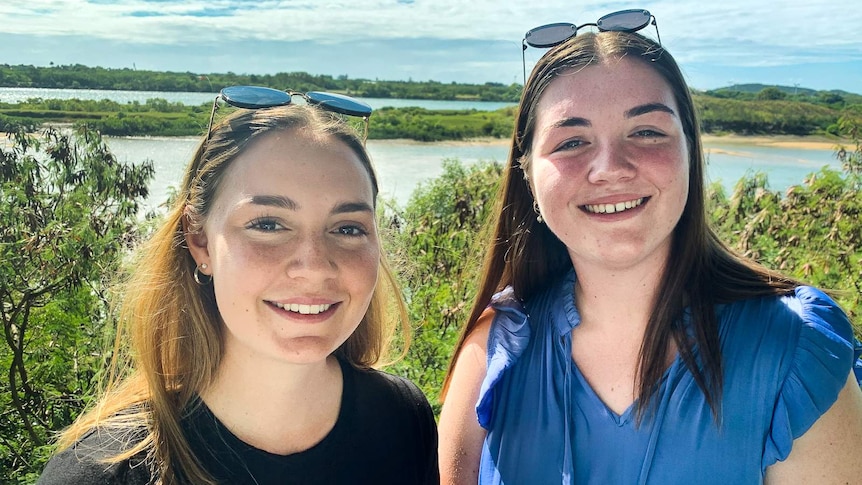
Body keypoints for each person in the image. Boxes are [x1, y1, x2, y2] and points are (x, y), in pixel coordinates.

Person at [438, 21, 862, 485]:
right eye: (572, 142)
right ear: (528, 176)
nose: (610, 169)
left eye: (646, 131)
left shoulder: (792, 353)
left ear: (689, 151)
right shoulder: (495, 354)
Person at [38, 88, 439, 484]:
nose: (314, 267)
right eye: (267, 224)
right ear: (199, 241)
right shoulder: (102, 472)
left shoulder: (402, 418)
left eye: (348, 228)